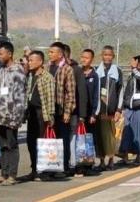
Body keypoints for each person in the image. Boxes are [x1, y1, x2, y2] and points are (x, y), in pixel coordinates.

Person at [0, 42, 26, 186]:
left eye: (1, 54)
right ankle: (3, 173)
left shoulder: (17, 71)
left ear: (9, 54)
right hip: (0, 116)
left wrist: (16, 117)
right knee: (3, 145)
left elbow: (20, 96)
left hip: (11, 116)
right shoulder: (1, 70)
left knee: (12, 145)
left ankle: (12, 175)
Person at [25, 51, 55, 182]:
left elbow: (50, 99)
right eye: (29, 60)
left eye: (32, 60)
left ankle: (43, 171)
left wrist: (50, 117)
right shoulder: (30, 76)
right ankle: (34, 169)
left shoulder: (47, 77)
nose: (29, 63)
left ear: (40, 62)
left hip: (42, 114)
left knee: (42, 143)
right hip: (31, 113)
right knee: (31, 142)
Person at [47, 42, 76, 177]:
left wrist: (67, 111)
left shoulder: (67, 69)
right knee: (51, 140)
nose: (50, 54)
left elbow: (70, 92)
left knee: (62, 139)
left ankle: (63, 167)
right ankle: (50, 167)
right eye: (49, 52)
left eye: (52, 52)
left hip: (61, 110)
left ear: (60, 54)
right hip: (49, 111)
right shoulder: (47, 67)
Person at [117, 56, 140, 167]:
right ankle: (125, 155)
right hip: (129, 107)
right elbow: (126, 91)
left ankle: (139, 155)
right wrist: (122, 107)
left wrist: (135, 69)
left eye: (137, 63)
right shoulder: (131, 76)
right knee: (127, 132)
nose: (134, 65)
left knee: (138, 132)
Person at [94, 45, 121, 171]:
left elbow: (121, 90)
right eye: (105, 55)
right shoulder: (96, 72)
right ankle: (101, 161)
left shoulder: (117, 72)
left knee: (110, 136)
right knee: (99, 137)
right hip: (99, 111)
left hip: (111, 111)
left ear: (113, 56)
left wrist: (119, 109)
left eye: (110, 55)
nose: (107, 57)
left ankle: (111, 160)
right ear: (102, 56)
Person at [65, 44, 89, 177]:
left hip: (74, 112)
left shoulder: (76, 70)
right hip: (60, 113)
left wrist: (82, 114)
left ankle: (74, 164)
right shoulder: (55, 68)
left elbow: (82, 93)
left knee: (73, 137)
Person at [78, 49, 100, 175]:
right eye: (82, 57)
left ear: (92, 59)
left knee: (89, 139)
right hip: (79, 113)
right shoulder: (78, 72)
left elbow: (97, 96)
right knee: (79, 140)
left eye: (87, 58)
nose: (84, 59)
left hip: (90, 115)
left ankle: (89, 164)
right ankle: (79, 164)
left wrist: (94, 114)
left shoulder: (94, 75)